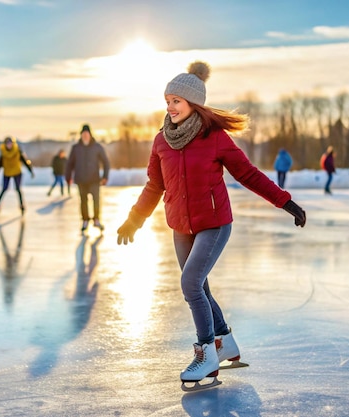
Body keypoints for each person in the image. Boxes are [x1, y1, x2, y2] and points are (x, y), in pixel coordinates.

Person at [115, 61, 306, 392]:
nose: (170, 107)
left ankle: (206, 353)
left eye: (176, 100)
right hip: (180, 225)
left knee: (190, 283)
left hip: (214, 224)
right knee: (199, 287)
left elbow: (248, 174)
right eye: (167, 100)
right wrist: (134, 219)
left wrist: (285, 201)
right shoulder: (162, 141)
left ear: (193, 104)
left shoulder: (214, 137)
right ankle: (225, 342)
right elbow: (153, 186)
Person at [65, 124, 110, 232]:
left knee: (96, 201)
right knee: (83, 201)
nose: (85, 136)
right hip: (81, 180)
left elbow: (106, 162)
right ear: (81, 135)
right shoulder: (76, 148)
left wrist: (105, 176)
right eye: (83, 134)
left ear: (90, 135)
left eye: (87, 134)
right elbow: (69, 164)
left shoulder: (97, 147)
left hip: (94, 180)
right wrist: (68, 177)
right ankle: (85, 220)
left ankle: (96, 220)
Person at [0, 136, 34, 215]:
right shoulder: (3, 153)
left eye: (10, 143)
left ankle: (21, 205)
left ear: (13, 144)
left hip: (17, 172)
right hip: (7, 172)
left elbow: (25, 161)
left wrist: (31, 170)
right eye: (7, 143)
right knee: (4, 189)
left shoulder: (18, 151)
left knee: (18, 189)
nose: (9, 145)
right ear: (5, 144)